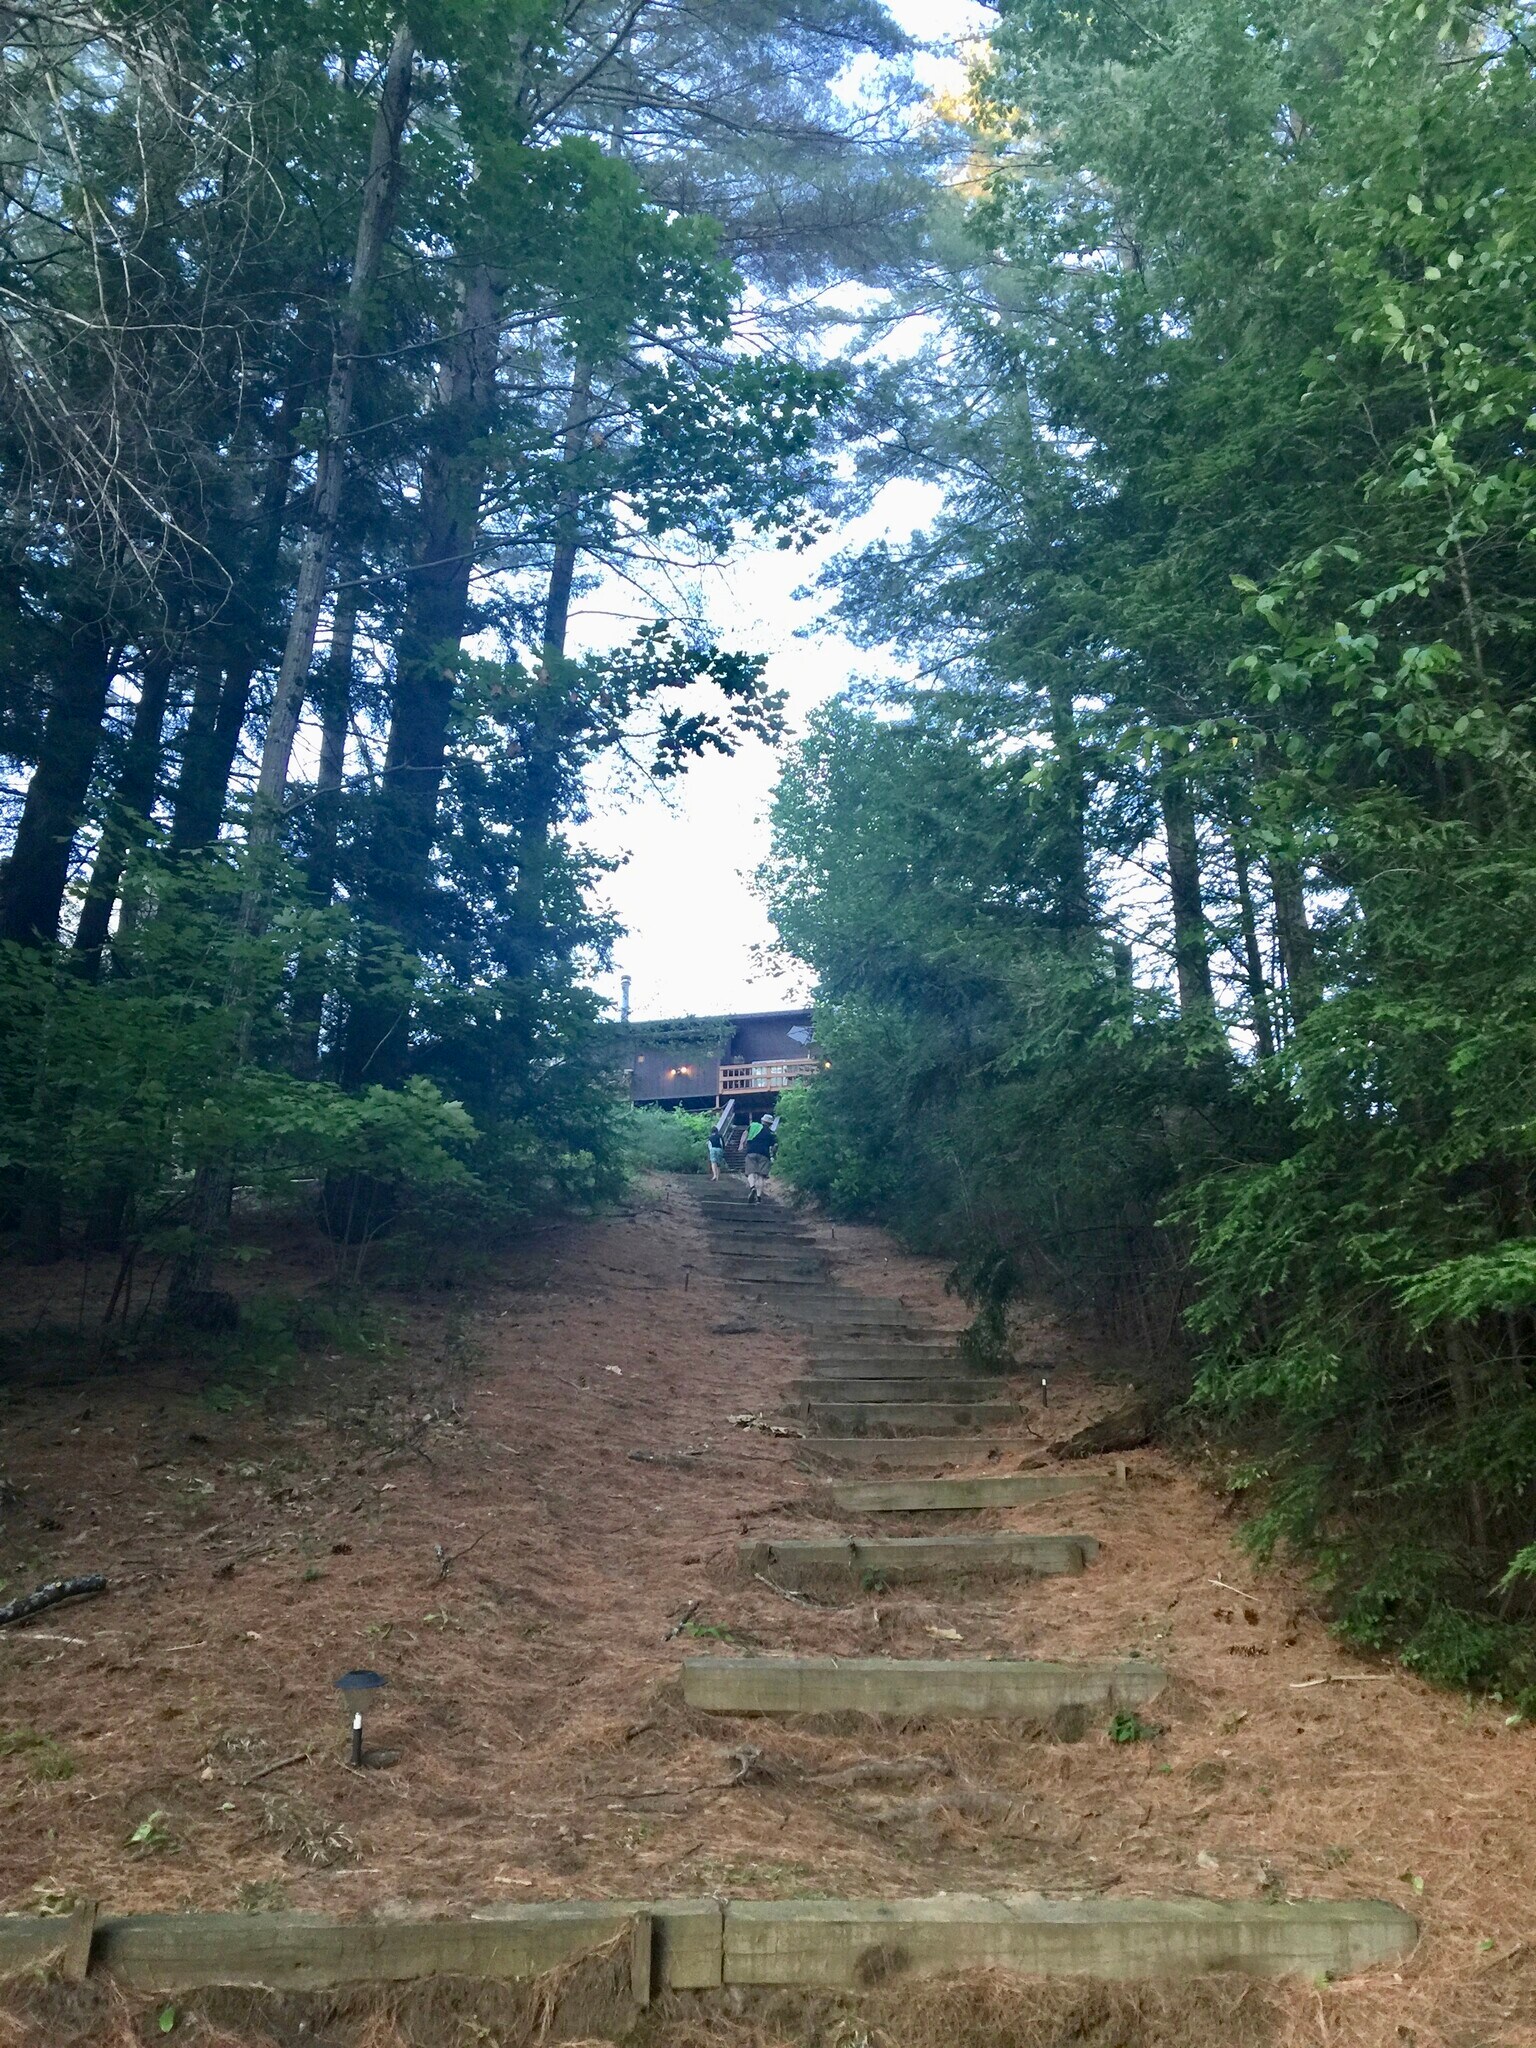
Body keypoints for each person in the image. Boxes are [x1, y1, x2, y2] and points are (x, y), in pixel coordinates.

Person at [742, 1111, 778, 1202]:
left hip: (751, 1152)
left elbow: (745, 1133)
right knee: (761, 1176)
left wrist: (742, 1144)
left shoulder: (753, 1125)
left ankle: (752, 1187)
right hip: (764, 1155)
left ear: (762, 1121)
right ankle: (758, 1197)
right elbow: (775, 1146)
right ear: (770, 1124)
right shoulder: (771, 1133)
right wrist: (773, 1154)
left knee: (750, 1173)